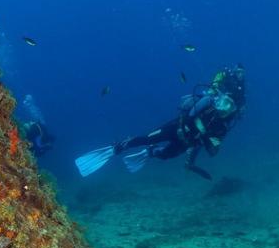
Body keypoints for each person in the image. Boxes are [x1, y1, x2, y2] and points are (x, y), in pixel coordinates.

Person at [76, 64, 246, 180]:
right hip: (176, 128)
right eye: (224, 102)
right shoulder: (208, 105)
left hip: (186, 143)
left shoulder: (223, 127)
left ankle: (150, 153)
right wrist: (209, 102)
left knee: (165, 156)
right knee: (147, 137)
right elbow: (192, 114)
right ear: (219, 100)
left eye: (230, 106)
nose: (225, 107)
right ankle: (117, 148)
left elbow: (213, 151)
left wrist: (212, 142)